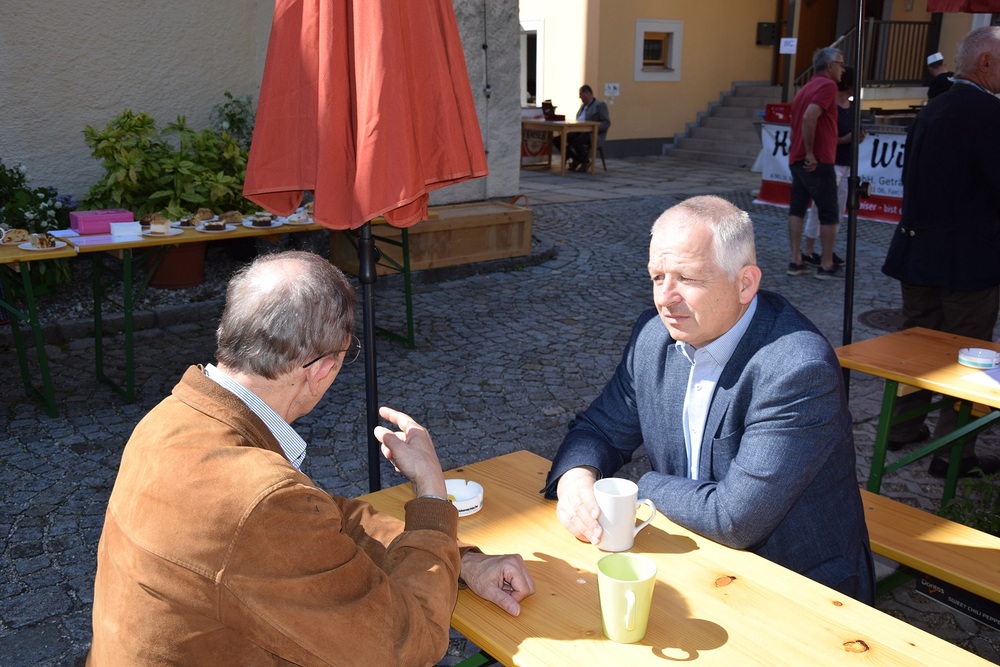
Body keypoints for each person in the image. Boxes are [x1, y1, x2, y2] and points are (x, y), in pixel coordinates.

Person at [88, 251, 535, 665]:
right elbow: (406, 644)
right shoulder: (259, 498)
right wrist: (432, 493)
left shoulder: (174, 416)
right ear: (322, 370)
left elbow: (323, 523)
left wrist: (463, 559)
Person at [544, 195, 875, 604]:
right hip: (692, 566)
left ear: (745, 283)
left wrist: (640, 486)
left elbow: (736, 518)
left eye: (687, 278)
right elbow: (599, 428)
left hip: (796, 589)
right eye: (657, 277)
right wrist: (577, 478)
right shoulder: (654, 336)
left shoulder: (798, 369)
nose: (665, 298)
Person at [881, 26, 1000, 478]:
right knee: (969, 356)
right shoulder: (987, 112)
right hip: (967, 260)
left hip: (920, 251)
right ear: (985, 62)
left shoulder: (935, 106)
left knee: (918, 346)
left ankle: (903, 427)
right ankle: (953, 455)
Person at [786, 47, 845, 279]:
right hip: (817, 159)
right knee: (829, 212)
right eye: (840, 64)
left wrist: (800, 150)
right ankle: (826, 264)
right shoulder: (828, 86)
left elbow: (795, 124)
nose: (842, 69)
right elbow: (809, 116)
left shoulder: (805, 88)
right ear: (830, 66)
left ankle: (795, 260)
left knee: (797, 209)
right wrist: (811, 152)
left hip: (797, 158)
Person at [802, 65, 865, 268]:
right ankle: (809, 248)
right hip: (831, 162)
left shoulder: (852, 106)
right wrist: (844, 140)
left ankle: (827, 250)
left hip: (847, 162)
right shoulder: (830, 105)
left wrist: (857, 137)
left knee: (838, 209)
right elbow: (824, 137)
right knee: (820, 208)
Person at [559, 84, 611, 172]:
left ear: (587, 93)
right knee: (559, 139)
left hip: (591, 133)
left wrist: (594, 128)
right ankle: (575, 159)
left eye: (580, 94)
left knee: (577, 142)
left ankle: (585, 162)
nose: (579, 97)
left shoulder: (599, 105)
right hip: (578, 131)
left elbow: (606, 122)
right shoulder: (583, 106)